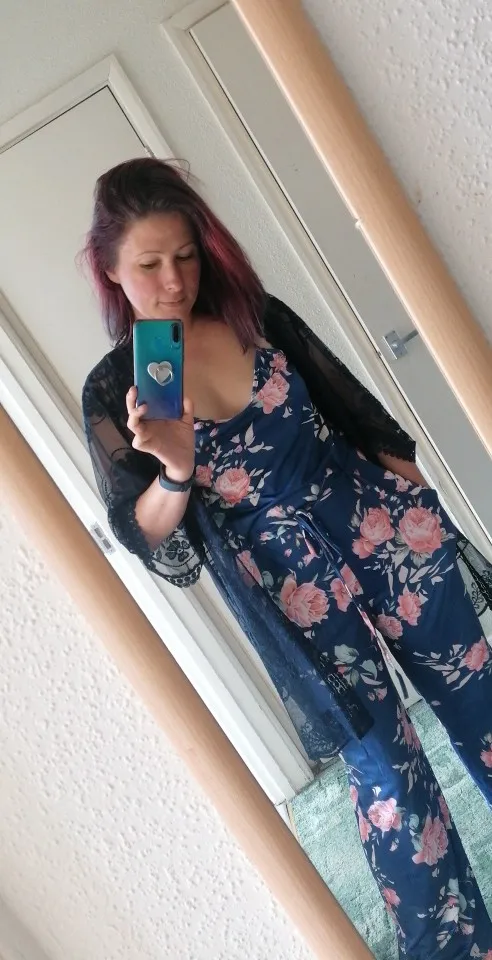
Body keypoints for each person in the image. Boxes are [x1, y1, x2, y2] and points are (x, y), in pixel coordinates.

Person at [82, 157, 492, 960]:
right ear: (110, 270)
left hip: (381, 530)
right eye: (150, 264)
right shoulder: (114, 388)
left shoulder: (250, 313)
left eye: (186, 254)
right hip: (290, 589)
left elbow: (351, 407)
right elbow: (143, 534)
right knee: (385, 771)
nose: (174, 281)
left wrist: (416, 503)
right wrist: (175, 469)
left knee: (480, 699)